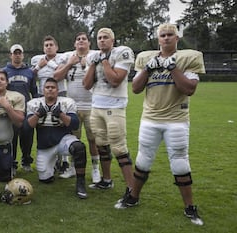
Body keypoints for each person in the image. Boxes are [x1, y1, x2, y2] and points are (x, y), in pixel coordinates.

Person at [113, 23, 205, 226]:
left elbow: (189, 88)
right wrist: (147, 68)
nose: (166, 38)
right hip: (150, 118)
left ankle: (190, 207)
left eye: (170, 35)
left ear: (177, 38)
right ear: (158, 38)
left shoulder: (188, 58)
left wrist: (173, 68)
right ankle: (133, 198)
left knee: (180, 163)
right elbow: (136, 88)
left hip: (176, 120)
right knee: (143, 161)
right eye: (162, 35)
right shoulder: (147, 58)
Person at [83, 28, 135, 198]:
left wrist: (104, 61)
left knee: (119, 147)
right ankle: (106, 180)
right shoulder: (92, 56)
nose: (102, 40)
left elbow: (114, 80)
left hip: (115, 106)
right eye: (99, 38)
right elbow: (86, 84)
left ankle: (131, 188)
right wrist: (92, 64)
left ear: (113, 40)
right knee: (101, 145)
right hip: (97, 105)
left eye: (106, 37)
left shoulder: (122, 52)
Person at [26, 78, 88, 199]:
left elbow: (75, 124)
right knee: (45, 179)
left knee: (79, 147)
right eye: (47, 87)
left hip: (63, 141)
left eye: (53, 87)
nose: (50, 89)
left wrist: (61, 114)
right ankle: (53, 165)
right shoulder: (34, 103)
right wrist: (38, 114)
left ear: (58, 90)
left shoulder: (66, 102)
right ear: (43, 90)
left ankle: (81, 183)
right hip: (45, 146)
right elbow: (27, 126)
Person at [54, 32, 100, 183]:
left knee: (93, 140)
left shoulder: (94, 55)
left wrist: (87, 65)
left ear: (89, 43)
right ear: (74, 44)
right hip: (73, 106)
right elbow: (56, 76)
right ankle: (73, 167)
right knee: (74, 140)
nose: (81, 41)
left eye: (84, 39)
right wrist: (69, 64)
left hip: (92, 105)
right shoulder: (68, 57)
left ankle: (95, 169)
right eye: (78, 39)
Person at [3, 44, 38, 173]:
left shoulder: (29, 72)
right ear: (10, 55)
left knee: (27, 137)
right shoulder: (5, 71)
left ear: (23, 55)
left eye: (19, 53)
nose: (17, 55)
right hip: (10, 110)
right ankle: (11, 163)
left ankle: (26, 161)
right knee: (11, 138)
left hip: (26, 110)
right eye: (15, 53)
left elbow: (34, 91)